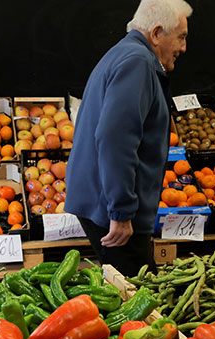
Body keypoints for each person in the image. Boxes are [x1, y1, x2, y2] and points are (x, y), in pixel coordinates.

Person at [65, 0, 191, 277]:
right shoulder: (137, 62)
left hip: (102, 199)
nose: (183, 48)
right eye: (181, 37)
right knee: (139, 290)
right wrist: (121, 212)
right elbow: (115, 139)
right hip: (110, 207)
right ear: (156, 33)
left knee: (129, 284)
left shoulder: (125, 53)